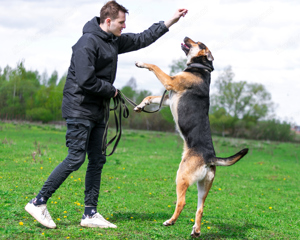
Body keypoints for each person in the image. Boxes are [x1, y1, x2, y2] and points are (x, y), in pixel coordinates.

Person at [25, 0, 188, 229]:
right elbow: (85, 80)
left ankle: (90, 214)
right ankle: (38, 202)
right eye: (121, 23)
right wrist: (111, 90)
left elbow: (142, 38)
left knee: (97, 159)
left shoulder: (113, 41)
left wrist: (170, 20)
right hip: (79, 108)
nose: (124, 27)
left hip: (98, 110)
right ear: (108, 20)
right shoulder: (87, 43)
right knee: (75, 158)